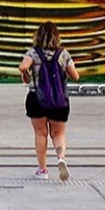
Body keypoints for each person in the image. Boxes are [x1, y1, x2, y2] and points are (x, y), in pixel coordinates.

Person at [20, 23, 79, 181]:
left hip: (37, 98)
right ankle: (60, 158)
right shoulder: (64, 54)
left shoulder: (33, 53)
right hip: (59, 100)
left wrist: (26, 72)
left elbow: (22, 66)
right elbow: (76, 76)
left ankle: (43, 170)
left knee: (41, 134)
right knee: (58, 133)